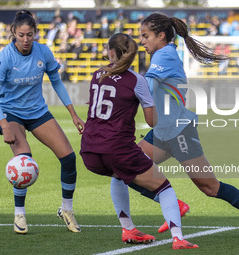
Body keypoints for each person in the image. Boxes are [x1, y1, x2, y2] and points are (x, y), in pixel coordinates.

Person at [114, 12, 239, 241]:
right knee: (122, 169)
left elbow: (144, 85)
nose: (141, 41)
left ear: (161, 36)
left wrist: (114, 79)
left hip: (179, 131)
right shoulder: (162, 54)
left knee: (210, 188)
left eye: (145, 36)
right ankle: (174, 205)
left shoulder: (164, 55)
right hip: (164, 131)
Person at [80, 32, 198, 250]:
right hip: (117, 148)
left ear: (111, 52)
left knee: (117, 175)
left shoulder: (97, 74)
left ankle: (128, 229)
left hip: (89, 150)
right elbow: (151, 122)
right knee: (164, 188)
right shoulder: (136, 80)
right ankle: (178, 238)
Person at [0, 10, 85, 235]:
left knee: (69, 158)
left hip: (38, 112)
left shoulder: (44, 52)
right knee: (24, 161)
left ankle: (66, 209)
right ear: (14, 32)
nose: (25, 39)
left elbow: (57, 83)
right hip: (11, 114)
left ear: (35, 34)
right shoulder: (4, 57)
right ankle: (19, 214)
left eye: (29, 35)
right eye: (21, 34)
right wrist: (4, 125)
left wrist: (73, 114)